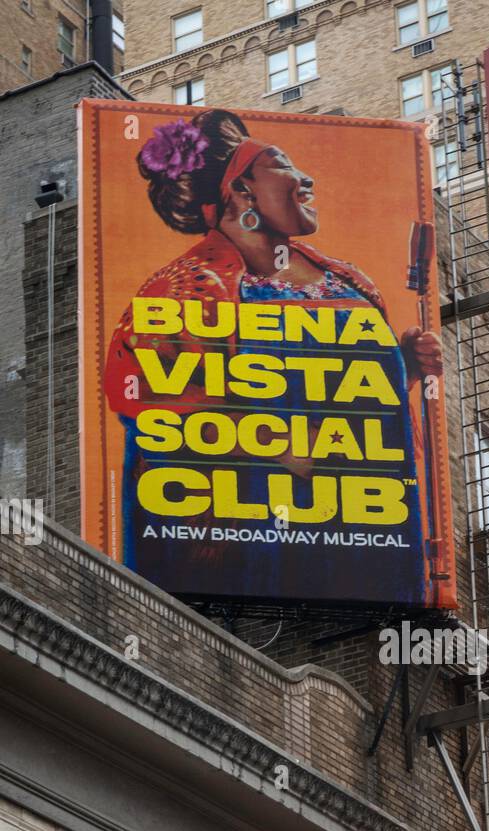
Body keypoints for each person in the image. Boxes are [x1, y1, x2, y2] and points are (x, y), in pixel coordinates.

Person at [105, 108, 444, 604]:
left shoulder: (349, 281)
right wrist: (279, 443)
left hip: (367, 528)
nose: (306, 178)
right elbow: (142, 392)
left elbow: (365, 405)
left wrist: (404, 370)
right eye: (282, 165)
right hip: (256, 536)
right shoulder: (184, 289)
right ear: (241, 192)